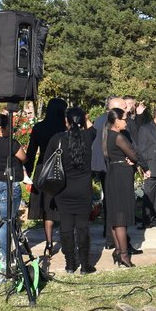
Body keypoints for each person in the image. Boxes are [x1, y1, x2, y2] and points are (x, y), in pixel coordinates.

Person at [47, 107, 97, 274]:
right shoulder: (89, 136)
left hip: (63, 189)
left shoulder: (57, 139)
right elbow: (92, 128)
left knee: (66, 226)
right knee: (83, 227)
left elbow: (48, 160)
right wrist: (85, 118)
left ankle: (70, 263)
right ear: (83, 120)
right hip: (83, 189)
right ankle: (85, 265)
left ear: (66, 121)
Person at [0, 114, 27, 278]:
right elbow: (23, 157)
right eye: (9, 126)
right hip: (8, 185)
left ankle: (8, 250)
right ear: (3, 128)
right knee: (7, 221)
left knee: (7, 218)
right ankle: (3, 256)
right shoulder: (11, 143)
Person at [26, 97, 68, 256]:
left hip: (43, 167)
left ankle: (49, 243)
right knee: (64, 206)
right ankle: (66, 240)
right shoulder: (64, 129)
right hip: (62, 168)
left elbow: (31, 151)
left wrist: (28, 172)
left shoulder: (39, 127)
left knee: (47, 209)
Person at [104, 107, 138, 267]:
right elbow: (134, 154)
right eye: (124, 119)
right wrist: (132, 160)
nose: (126, 122)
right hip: (120, 176)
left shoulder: (107, 135)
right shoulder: (118, 137)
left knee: (115, 215)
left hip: (113, 173)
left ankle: (118, 250)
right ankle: (124, 254)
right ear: (117, 121)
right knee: (120, 217)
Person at [92, 97, 126, 246]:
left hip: (101, 164)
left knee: (109, 201)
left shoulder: (98, 120)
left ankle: (110, 235)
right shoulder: (111, 122)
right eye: (123, 107)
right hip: (111, 165)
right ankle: (114, 238)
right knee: (115, 203)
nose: (126, 110)